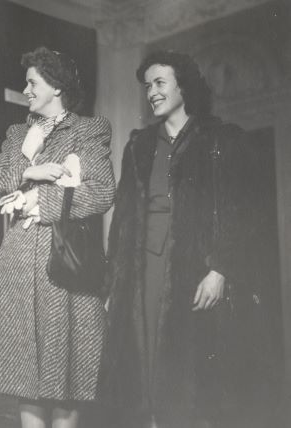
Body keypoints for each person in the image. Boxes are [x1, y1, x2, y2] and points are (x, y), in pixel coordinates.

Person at [103, 50, 261, 428]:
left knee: (191, 380)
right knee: (143, 369)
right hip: (143, 272)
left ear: (183, 86)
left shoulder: (216, 140)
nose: (152, 93)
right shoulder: (138, 146)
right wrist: (114, 283)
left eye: (160, 83)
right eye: (147, 86)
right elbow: (122, 219)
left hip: (195, 272)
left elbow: (239, 211)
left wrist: (220, 268)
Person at [0, 46, 116, 428]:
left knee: (68, 374)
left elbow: (102, 191)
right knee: (26, 376)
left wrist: (40, 199)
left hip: (65, 261)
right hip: (19, 261)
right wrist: (27, 164)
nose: (27, 89)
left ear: (57, 86)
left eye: (33, 82)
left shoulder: (89, 129)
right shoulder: (18, 132)